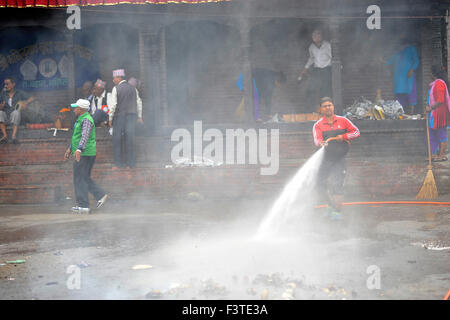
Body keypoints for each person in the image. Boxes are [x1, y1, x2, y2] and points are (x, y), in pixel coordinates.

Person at [312, 97, 360, 220]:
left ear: (333, 107)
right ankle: (330, 206)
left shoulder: (343, 121)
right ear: (321, 109)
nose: (328, 107)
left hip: (340, 159)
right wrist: (321, 143)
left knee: (337, 184)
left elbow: (356, 132)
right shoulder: (318, 125)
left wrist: (343, 136)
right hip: (326, 159)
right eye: (325, 106)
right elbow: (317, 140)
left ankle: (337, 212)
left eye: (330, 105)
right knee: (320, 184)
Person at [64, 99, 108, 214]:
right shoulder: (81, 119)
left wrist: (79, 149)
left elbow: (85, 136)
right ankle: (99, 195)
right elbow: (76, 136)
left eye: (76, 108)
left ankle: (84, 206)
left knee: (80, 178)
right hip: (84, 153)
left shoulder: (87, 120)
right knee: (83, 177)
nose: (74, 109)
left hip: (85, 153)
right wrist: (70, 148)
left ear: (81, 109)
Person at [108, 69, 144, 170]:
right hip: (131, 117)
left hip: (119, 117)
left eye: (114, 77)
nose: (113, 80)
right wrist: (139, 116)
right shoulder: (133, 89)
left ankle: (118, 164)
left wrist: (110, 119)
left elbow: (113, 105)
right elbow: (139, 103)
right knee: (130, 140)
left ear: (119, 77)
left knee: (117, 140)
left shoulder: (116, 88)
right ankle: (130, 164)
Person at [299, 30, 332, 111]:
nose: (317, 37)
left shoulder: (327, 45)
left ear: (321, 36)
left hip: (327, 69)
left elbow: (333, 57)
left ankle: (325, 108)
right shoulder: (311, 47)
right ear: (313, 38)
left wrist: (339, 67)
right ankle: (309, 108)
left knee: (325, 89)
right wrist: (305, 69)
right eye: (314, 36)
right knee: (312, 87)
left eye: (318, 35)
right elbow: (311, 59)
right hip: (317, 70)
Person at [385, 37, 419, 115]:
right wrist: (382, 61)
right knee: (399, 95)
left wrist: (412, 69)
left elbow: (416, 61)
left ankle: (412, 113)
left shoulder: (412, 49)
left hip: (408, 77)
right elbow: (390, 61)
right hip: (398, 78)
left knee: (411, 93)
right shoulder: (398, 51)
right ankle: (401, 113)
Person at [426, 65, 450, 162]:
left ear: (433, 74)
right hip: (433, 113)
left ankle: (442, 155)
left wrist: (430, 108)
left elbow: (440, 100)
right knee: (433, 134)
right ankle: (434, 155)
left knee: (441, 133)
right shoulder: (435, 83)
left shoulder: (439, 84)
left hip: (439, 114)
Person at [0, 77, 34, 144]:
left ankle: (13, 136)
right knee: (0, 113)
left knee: (16, 112)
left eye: (7, 84)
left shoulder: (19, 93)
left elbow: (32, 97)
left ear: (13, 84)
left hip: (15, 118)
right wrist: (1, 106)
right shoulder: (2, 94)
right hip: (6, 117)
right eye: (5, 84)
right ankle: (5, 135)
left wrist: (25, 103)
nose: (5, 86)